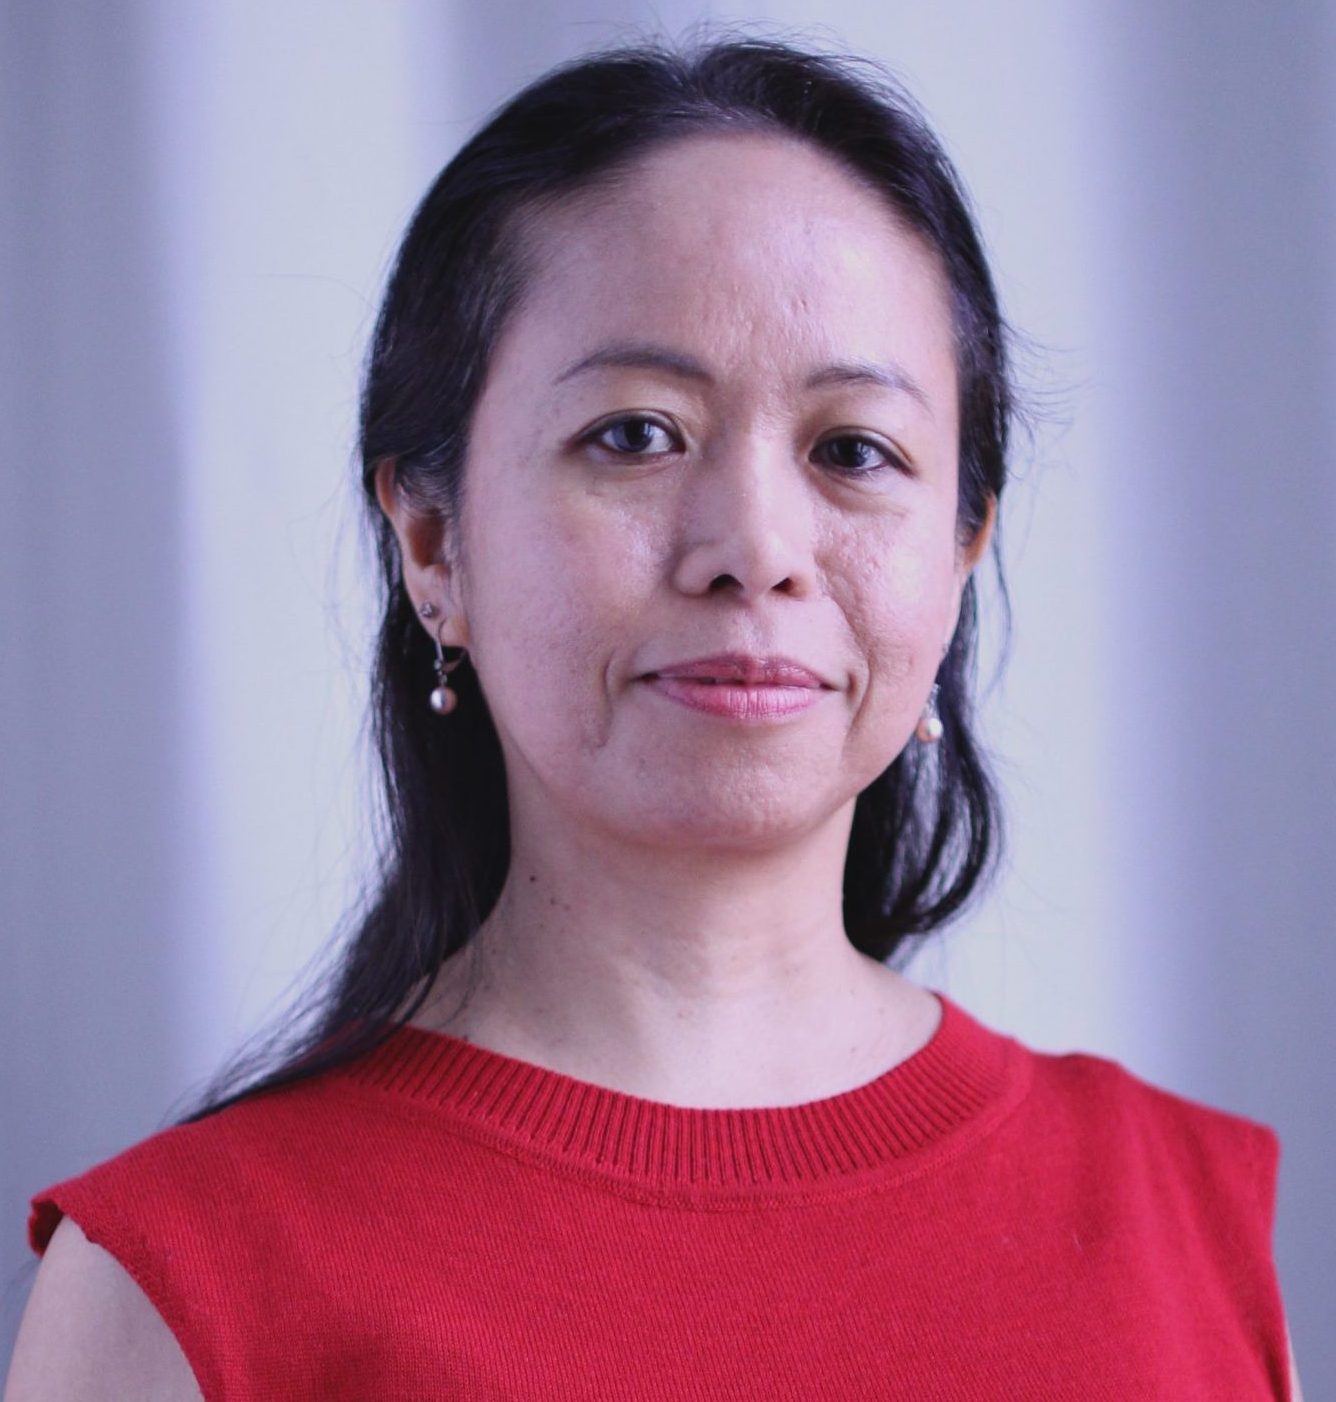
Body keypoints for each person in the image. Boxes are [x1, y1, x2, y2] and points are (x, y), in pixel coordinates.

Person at [5, 32, 1303, 1401]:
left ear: (965, 546)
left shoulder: (1186, 1219)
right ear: (434, 540)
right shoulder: (179, 1286)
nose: (753, 544)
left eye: (853, 451)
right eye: (634, 433)